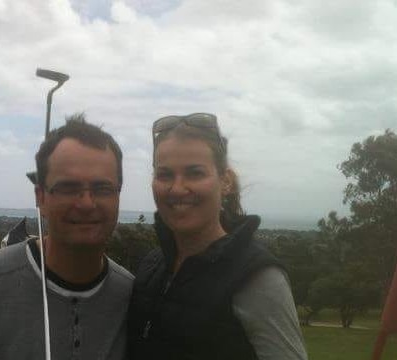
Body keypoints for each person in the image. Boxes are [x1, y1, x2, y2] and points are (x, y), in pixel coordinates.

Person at [0, 114, 134, 360]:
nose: (86, 203)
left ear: (118, 195)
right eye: (68, 188)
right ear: (40, 197)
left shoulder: (132, 297)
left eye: (102, 188)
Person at [128, 113, 307, 359]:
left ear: (225, 181)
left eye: (194, 173)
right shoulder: (151, 267)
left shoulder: (256, 277)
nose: (177, 188)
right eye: (165, 175)